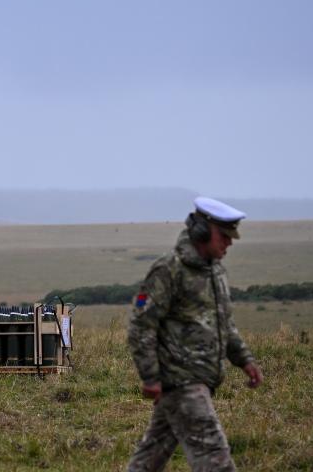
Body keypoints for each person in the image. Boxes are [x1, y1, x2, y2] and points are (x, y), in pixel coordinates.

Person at [127, 197, 264, 472]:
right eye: (224, 236)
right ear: (200, 231)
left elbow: (223, 324)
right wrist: (151, 376)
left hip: (197, 380)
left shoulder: (215, 272)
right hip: (182, 382)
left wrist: (244, 359)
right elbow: (141, 325)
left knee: (149, 458)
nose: (230, 243)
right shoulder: (168, 270)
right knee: (215, 458)